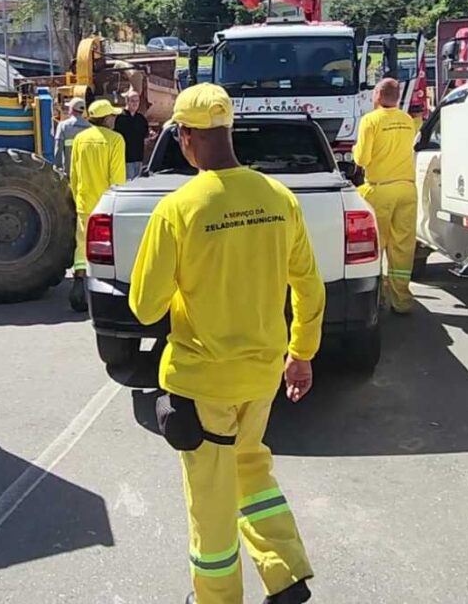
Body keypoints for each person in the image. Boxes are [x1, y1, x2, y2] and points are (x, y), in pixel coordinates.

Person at [130, 83, 322, 604]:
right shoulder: (278, 199)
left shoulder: (179, 208)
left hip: (201, 383)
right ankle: (285, 572)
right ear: (228, 130)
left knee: (211, 499)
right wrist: (300, 353)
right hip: (261, 377)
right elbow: (308, 284)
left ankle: (216, 598)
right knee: (250, 466)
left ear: (185, 137)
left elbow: (145, 307)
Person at [352, 77, 420, 314]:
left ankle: (377, 297)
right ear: (397, 97)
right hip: (407, 188)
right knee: (403, 246)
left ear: (378, 96)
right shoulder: (407, 120)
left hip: (379, 190)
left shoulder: (370, 121)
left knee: (375, 245)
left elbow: (361, 159)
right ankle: (401, 300)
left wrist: (353, 151)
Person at [68, 98, 127, 310]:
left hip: (84, 201)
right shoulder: (116, 140)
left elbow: (73, 173)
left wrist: (76, 197)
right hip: (106, 202)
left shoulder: (80, 139)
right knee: (109, 248)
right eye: (112, 115)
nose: (114, 118)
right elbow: (118, 178)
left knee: (82, 244)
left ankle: (79, 284)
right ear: (107, 118)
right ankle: (106, 290)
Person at [114, 90, 150, 180]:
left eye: (137, 101)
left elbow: (146, 134)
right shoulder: (120, 118)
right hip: (125, 158)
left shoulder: (141, 119)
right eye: (132, 101)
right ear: (127, 101)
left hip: (138, 158)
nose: (135, 103)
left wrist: (150, 136)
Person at [52, 98, 91, 176]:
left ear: (71, 109)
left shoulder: (63, 126)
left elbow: (58, 148)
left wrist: (57, 167)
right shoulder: (90, 127)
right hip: (87, 172)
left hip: (69, 171)